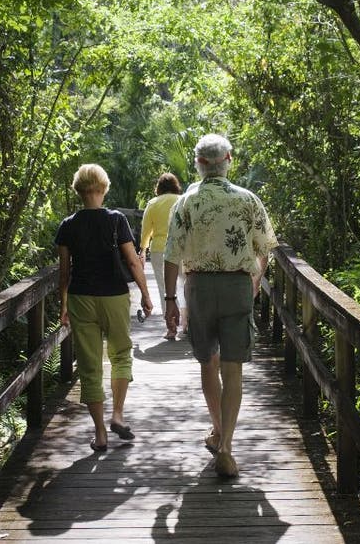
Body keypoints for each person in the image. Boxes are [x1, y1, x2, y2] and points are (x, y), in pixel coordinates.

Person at [163, 134, 277, 478]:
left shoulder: (185, 202)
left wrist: (170, 299)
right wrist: (254, 281)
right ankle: (226, 446)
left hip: (198, 287)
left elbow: (171, 254)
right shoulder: (247, 199)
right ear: (228, 159)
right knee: (233, 368)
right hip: (236, 286)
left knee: (207, 363)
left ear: (198, 164)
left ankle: (216, 429)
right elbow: (265, 248)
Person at [55, 163, 153, 452]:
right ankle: (117, 415)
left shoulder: (67, 225)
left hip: (80, 297)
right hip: (114, 296)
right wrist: (146, 295)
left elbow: (64, 273)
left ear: (79, 190)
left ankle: (100, 434)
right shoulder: (116, 220)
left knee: (89, 364)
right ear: (103, 188)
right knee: (121, 354)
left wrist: (63, 305)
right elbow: (133, 261)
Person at [140, 172, 187, 340]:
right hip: (183, 247)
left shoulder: (153, 203)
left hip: (160, 250)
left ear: (159, 188)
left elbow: (146, 230)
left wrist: (143, 249)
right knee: (184, 284)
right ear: (176, 186)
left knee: (165, 288)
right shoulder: (183, 200)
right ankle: (187, 323)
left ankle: (171, 327)